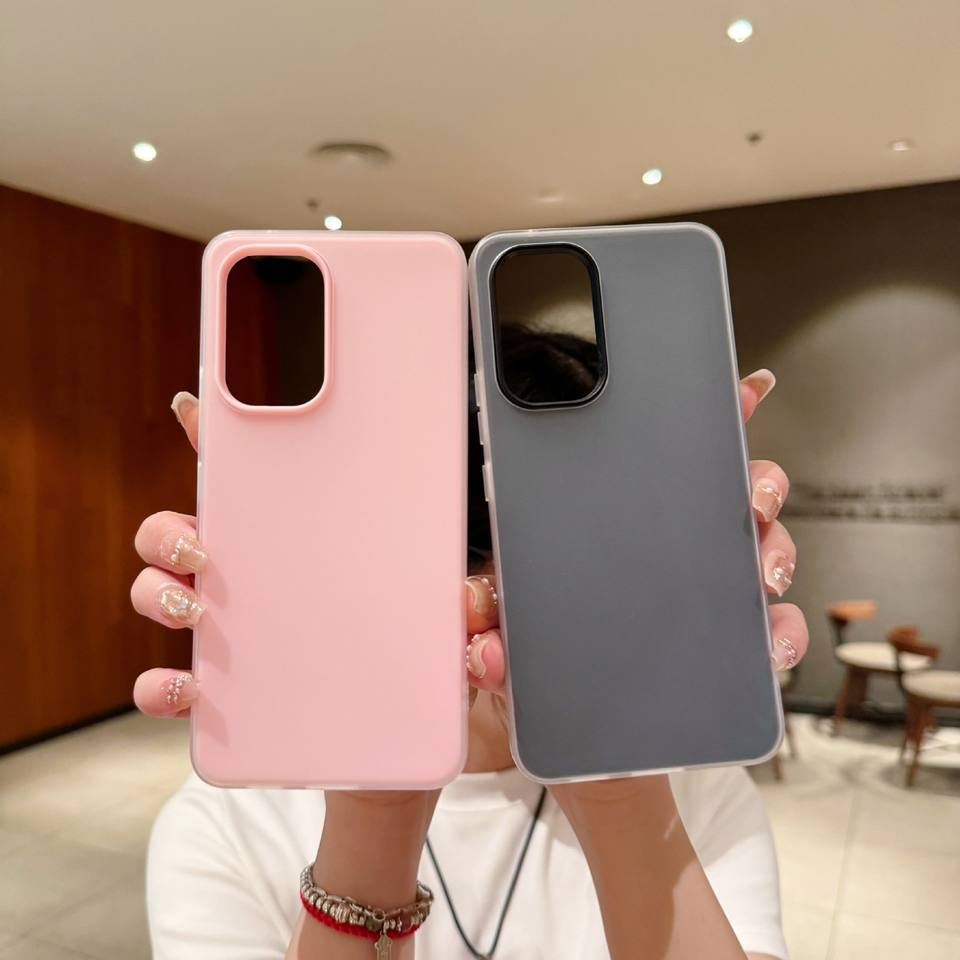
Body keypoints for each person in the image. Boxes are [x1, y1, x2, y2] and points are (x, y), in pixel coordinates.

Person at [131, 327, 806, 959]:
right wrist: (375, 812)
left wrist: (618, 799)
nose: (484, 596)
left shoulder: (693, 794)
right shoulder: (232, 819)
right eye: (466, 544)